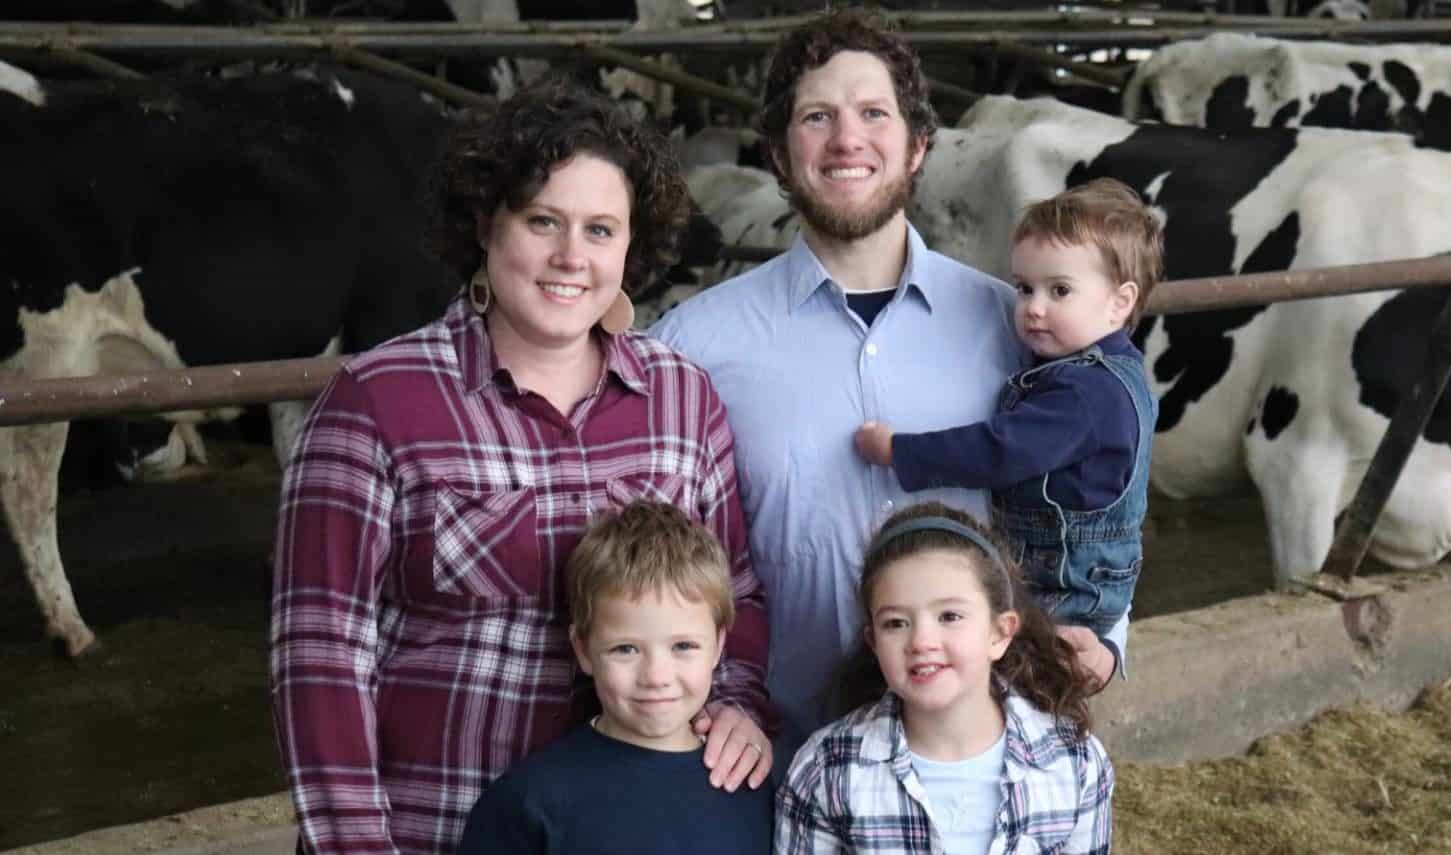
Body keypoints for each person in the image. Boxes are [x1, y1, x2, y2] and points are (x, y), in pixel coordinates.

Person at [272, 77, 774, 855]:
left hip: (617, 833)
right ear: (485, 223)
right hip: (426, 830)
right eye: (544, 221)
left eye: (602, 230)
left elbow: (733, 591)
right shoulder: (377, 400)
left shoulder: (680, 397)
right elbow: (320, 654)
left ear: (631, 246)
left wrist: (738, 702)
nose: (572, 257)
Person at [649, 7, 1126, 743]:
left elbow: (1106, 473)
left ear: (917, 148)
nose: (847, 139)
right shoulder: (693, 345)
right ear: (778, 154)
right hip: (774, 753)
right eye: (817, 117)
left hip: (982, 748)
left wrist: (1106, 632)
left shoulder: (1016, 328)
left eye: (874, 113)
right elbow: (665, 558)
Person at [852, 179, 1162, 638]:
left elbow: (999, 451)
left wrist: (900, 451)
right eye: (1024, 288)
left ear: (1120, 303)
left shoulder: (1085, 394)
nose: (1033, 308)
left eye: (1059, 291)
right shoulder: (1107, 373)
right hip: (1076, 581)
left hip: (1062, 591)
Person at [775, 502, 1114, 854]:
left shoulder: (1075, 764)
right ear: (874, 642)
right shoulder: (825, 769)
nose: (922, 641)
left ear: (999, 633)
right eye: (895, 623)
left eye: (950, 616)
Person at [457, 501, 774, 855]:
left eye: (683, 646)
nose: (656, 676)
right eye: (625, 649)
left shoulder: (750, 785)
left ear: (718, 646)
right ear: (583, 649)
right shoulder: (529, 802)